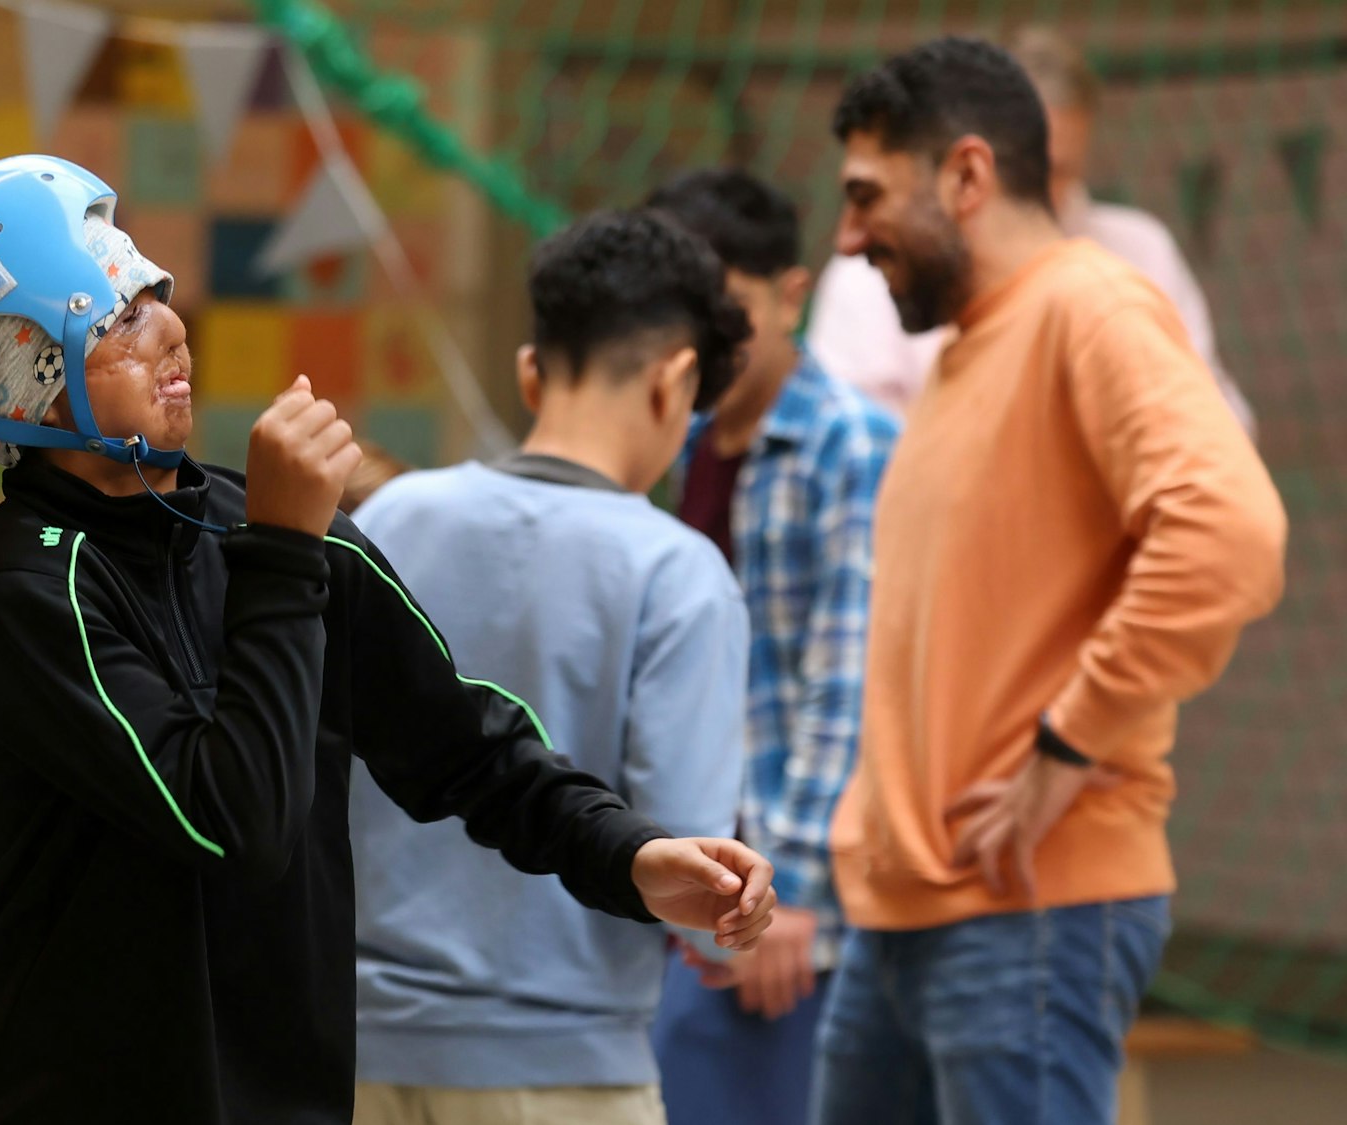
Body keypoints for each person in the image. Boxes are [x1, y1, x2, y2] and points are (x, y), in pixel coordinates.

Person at [0, 155, 779, 1125]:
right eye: (117, 319)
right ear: (22, 385)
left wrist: (628, 856)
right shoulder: (28, 580)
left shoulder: (252, 520)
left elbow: (455, 744)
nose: (169, 328)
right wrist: (288, 551)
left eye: (153, 294)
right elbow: (228, 817)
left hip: (277, 1083)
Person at [814, 38, 1286, 1125]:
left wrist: (1066, 745)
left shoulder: (1089, 308)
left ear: (967, 176)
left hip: (1025, 910)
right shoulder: (966, 347)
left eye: (864, 197)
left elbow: (1228, 531)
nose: (845, 237)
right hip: (899, 911)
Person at [346, 209, 752, 1125]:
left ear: (532, 370)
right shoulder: (677, 572)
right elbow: (689, 858)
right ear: (676, 380)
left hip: (351, 1053)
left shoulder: (393, 517)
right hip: (562, 1070)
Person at [645, 168, 899, 1125]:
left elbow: (852, 686)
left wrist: (790, 889)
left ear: (793, 295)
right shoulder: (685, 434)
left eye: (732, 310)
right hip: (696, 884)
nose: (705, 341)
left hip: (792, 915)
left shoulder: (851, 443)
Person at [805, 28, 1257, 438]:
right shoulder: (877, 271)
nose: (1038, 192)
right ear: (971, 162)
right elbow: (850, 452)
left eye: (1057, 171)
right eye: (1021, 168)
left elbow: (1217, 434)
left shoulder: (1133, 260)